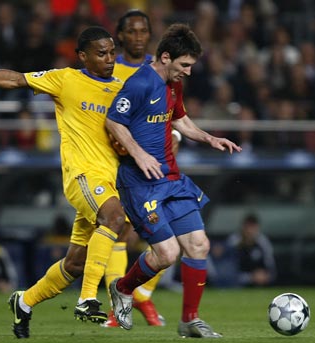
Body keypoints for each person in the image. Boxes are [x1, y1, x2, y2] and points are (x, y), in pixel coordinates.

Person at [0, 26, 127, 338]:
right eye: (102, 53)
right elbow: (13, 78)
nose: (110, 58)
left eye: (112, 52)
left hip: (110, 181)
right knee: (114, 219)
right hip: (83, 176)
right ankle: (88, 298)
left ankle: (25, 300)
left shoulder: (122, 86)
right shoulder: (67, 79)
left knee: (74, 264)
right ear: (82, 56)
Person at [105, 23, 242, 337]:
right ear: (165, 57)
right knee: (167, 253)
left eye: (191, 66)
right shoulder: (139, 83)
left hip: (171, 179)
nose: (189, 72)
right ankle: (124, 289)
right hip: (139, 183)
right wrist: (138, 154)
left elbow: (179, 118)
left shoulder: (173, 84)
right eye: (184, 65)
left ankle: (189, 320)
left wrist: (208, 138)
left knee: (198, 244)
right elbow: (113, 120)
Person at [102, 9, 165, 328]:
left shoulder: (161, 68)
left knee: (168, 228)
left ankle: (141, 296)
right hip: (117, 163)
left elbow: (174, 111)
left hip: (156, 161)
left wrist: (177, 137)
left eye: (144, 31)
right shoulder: (109, 70)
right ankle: (118, 307)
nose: (138, 37)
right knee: (120, 229)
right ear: (121, 36)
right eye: (132, 31)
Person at [223, 213, 276, 287]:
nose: (250, 231)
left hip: (261, 280)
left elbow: (271, 266)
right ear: (243, 227)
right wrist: (251, 277)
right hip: (238, 281)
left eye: (253, 227)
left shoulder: (263, 242)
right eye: (247, 227)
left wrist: (265, 276)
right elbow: (229, 270)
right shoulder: (234, 242)